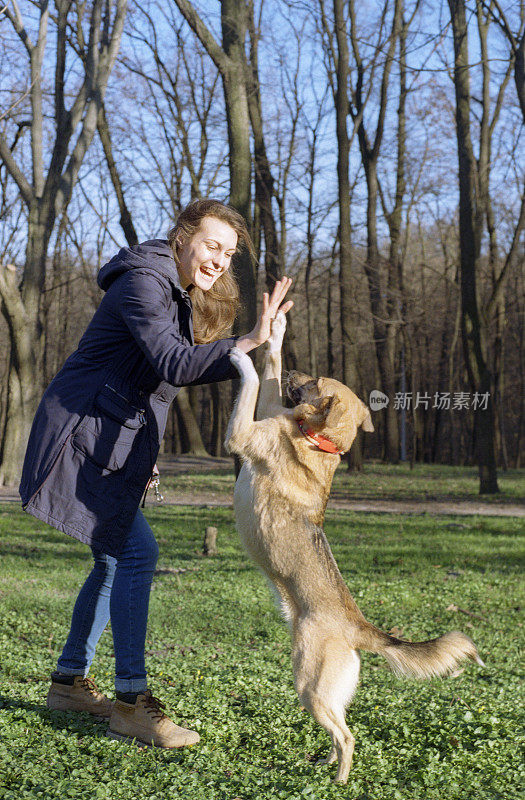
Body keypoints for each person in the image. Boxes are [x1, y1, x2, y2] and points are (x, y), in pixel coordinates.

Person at [19, 198, 293, 748]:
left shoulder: (173, 292)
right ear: (183, 237)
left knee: (112, 558)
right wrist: (248, 343)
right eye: (212, 245)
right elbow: (172, 364)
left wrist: (144, 456)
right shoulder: (144, 284)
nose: (220, 260)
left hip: (108, 442)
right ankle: (130, 701)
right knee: (134, 554)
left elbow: (154, 385)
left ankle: (70, 682)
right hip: (79, 437)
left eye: (230, 253)